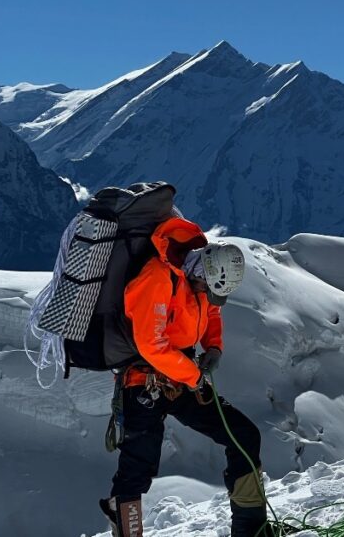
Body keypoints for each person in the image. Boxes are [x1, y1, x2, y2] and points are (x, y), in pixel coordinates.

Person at [100, 216, 265, 537]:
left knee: (243, 435)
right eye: (206, 287)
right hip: (144, 383)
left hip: (180, 378)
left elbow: (211, 310)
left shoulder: (198, 278)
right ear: (200, 272)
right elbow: (152, 344)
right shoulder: (157, 279)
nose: (207, 294)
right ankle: (125, 525)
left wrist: (213, 346)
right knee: (138, 467)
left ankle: (251, 530)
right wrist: (193, 376)